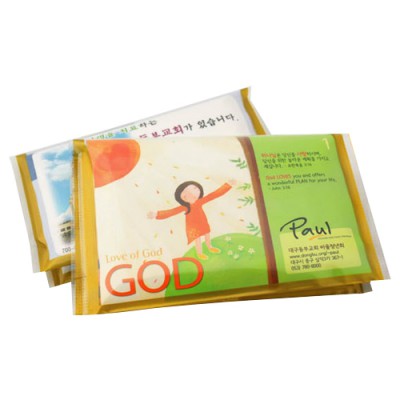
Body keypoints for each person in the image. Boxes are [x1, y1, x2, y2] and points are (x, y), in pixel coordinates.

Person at [148, 180, 236, 260]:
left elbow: (213, 195)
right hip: (193, 226)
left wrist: (227, 185)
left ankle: (210, 246)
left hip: (203, 221)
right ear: (183, 197)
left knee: (207, 233)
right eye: (187, 193)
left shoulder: (200, 201)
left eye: (195, 188)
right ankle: (200, 253)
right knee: (197, 238)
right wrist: (156, 214)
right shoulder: (185, 207)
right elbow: (172, 212)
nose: (194, 192)